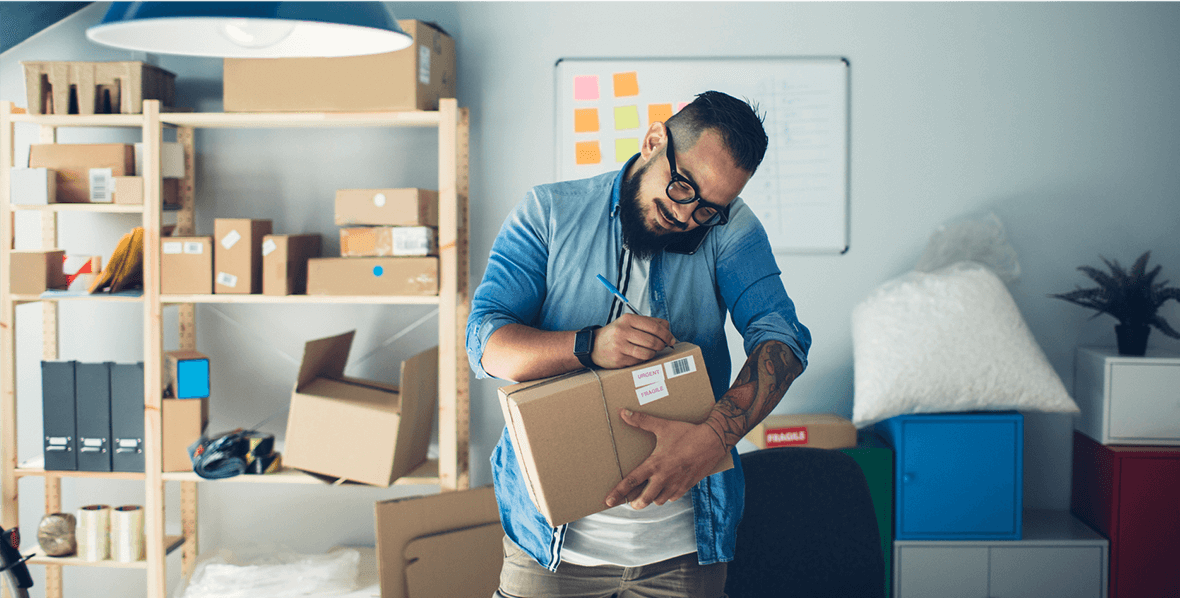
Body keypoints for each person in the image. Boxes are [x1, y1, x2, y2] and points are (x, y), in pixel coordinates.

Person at [466, 90, 811, 598]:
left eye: (710, 209)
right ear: (654, 141)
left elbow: (781, 337)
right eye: (682, 187)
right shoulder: (549, 212)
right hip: (551, 548)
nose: (687, 215)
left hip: (685, 552)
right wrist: (588, 346)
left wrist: (714, 437)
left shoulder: (728, 228)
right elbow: (485, 342)